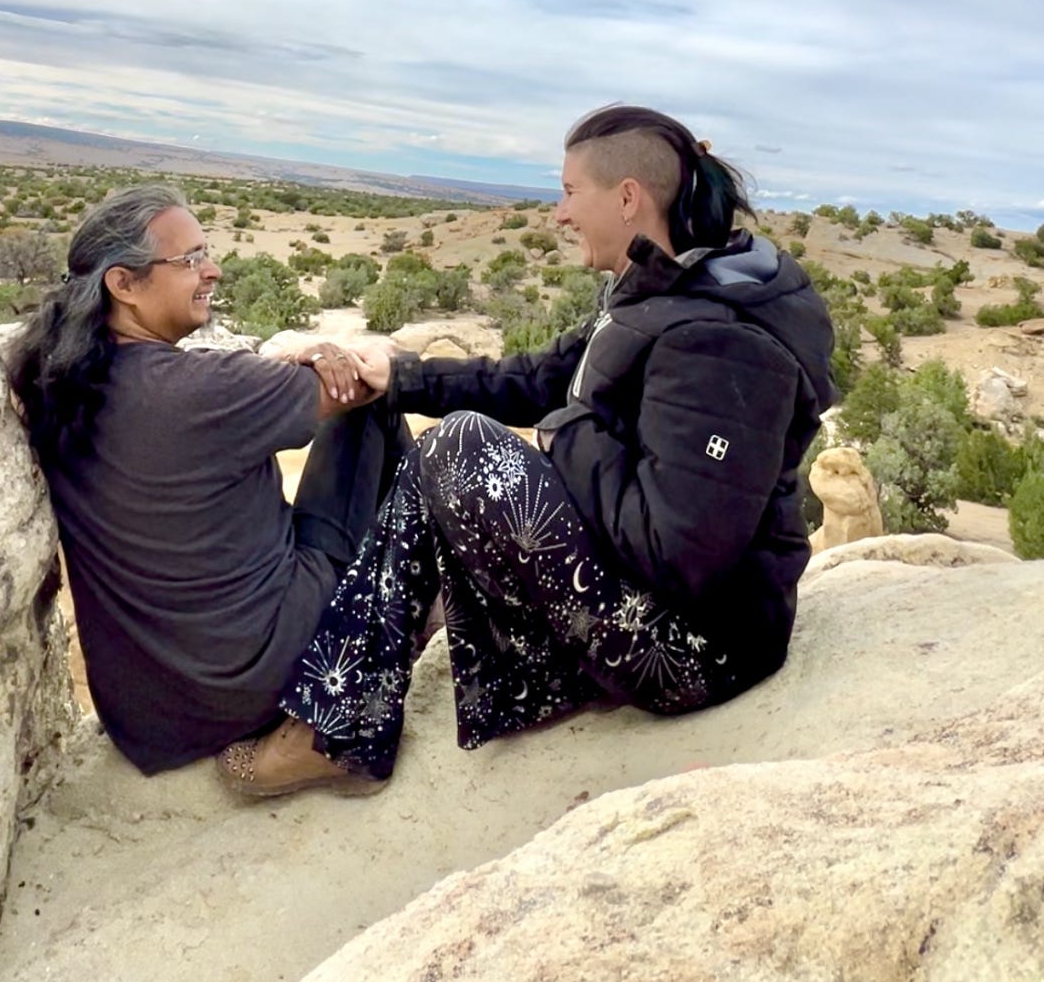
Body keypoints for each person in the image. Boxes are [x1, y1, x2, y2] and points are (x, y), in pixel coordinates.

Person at [216, 104, 837, 797]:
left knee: (461, 449)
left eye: (571, 192)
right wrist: (400, 377)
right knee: (446, 447)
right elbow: (542, 377)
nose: (559, 214)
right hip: (652, 604)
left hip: (699, 649)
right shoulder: (661, 289)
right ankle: (346, 708)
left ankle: (336, 729)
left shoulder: (722, 344)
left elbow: (679, 553)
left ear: (628, 197)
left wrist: (560, 434)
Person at [7, 184, 410, 777]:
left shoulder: (58, 384)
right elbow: (358, 382)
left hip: (150, 717)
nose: (213, 270)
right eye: (190, 259)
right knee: (372, 406)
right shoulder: (209, 387)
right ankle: (335, 712)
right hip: (258, 678)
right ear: (124, 284)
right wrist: (317, 351)